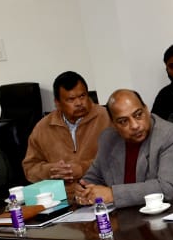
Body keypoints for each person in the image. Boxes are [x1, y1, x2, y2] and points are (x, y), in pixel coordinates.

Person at [75, 89, 173, 208]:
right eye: (123, 121)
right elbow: (93, 177)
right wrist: (83, 191)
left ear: (146, 109)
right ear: (114, 124)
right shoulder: (108, 138)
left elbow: (168, 188)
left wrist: (113, 194)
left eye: (138, 115)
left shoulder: (171, 136)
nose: (135, 125)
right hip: (128, 215)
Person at [21, 71, 109, 202]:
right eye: (71, 99)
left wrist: (82, 168)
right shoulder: (43, 127)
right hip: (61, 200)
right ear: (57, 103)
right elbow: (29, 168)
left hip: (100, 194)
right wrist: (51, 171)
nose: (79, 103)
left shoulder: (106, 117)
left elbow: (118, 159)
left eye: (82, 96)